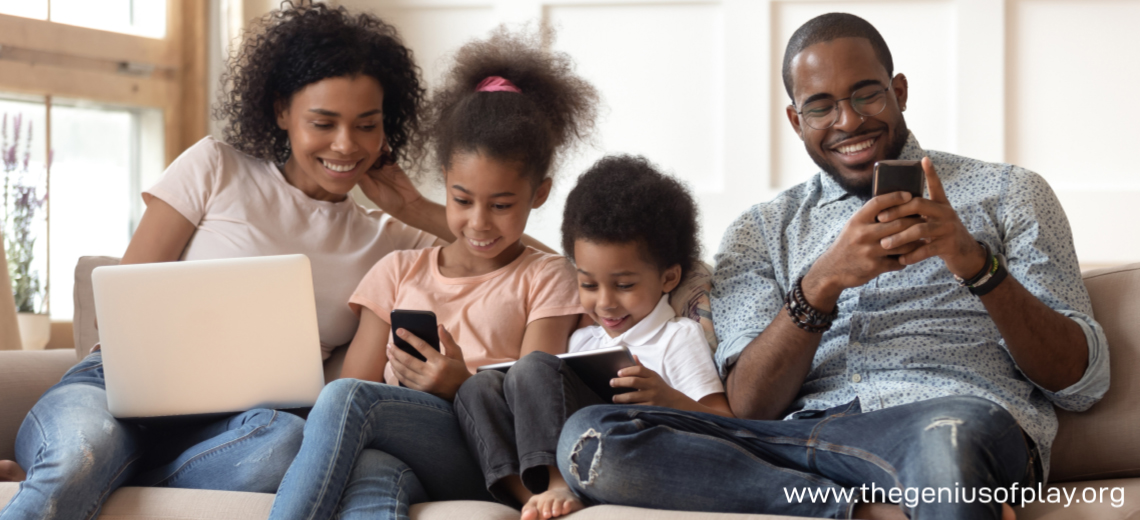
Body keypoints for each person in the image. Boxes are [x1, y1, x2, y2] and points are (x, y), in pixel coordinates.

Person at [555, 12, 1109, 520]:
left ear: (899, 92)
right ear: (797, 120)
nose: (848, 121)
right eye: (821, 106)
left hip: (948, 420)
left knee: (947, 441)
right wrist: (821, 283)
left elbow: (1081, 383)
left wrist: (977, 265)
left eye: (866, 95)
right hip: (798, 443)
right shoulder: (761, 230)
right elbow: (749, 405)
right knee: (591, 440)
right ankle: (861, 512)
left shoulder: (1010, 194)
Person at [0, 3, 453, 519]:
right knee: (83, 450)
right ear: (282, 110)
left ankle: (112, 472)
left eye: (366, 125)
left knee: (285, 444)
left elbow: (530, 261)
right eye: (323, 123)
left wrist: (414, 207)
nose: (346, 145)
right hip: (112, 390)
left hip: (244, 427)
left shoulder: (388, 237)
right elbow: (119, 304)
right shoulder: (215, 166)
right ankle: (93, 464)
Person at [266, 25, 599, 520]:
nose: (479, 222)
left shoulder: (547, 276)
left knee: (345, 399)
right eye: (462, 200)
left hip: (490, 451)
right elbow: (360, 380)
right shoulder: (398, 269)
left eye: (503, 204)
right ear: (444, 183)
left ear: (540, 195)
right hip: (412, 445)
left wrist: (458, 382)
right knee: (374, 473)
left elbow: (535, 398)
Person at [455, 155, 732, 520]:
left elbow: (726, 422)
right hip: (572, 452)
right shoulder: (583, 342)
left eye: (624, 285)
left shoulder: (677, 337)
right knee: (478, 387)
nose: (604, 303)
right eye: (587, 284)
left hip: (626, 454)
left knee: (535, 365)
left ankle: (559, 487)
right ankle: (532, 498)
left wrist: (670, 399)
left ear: (668, 278)